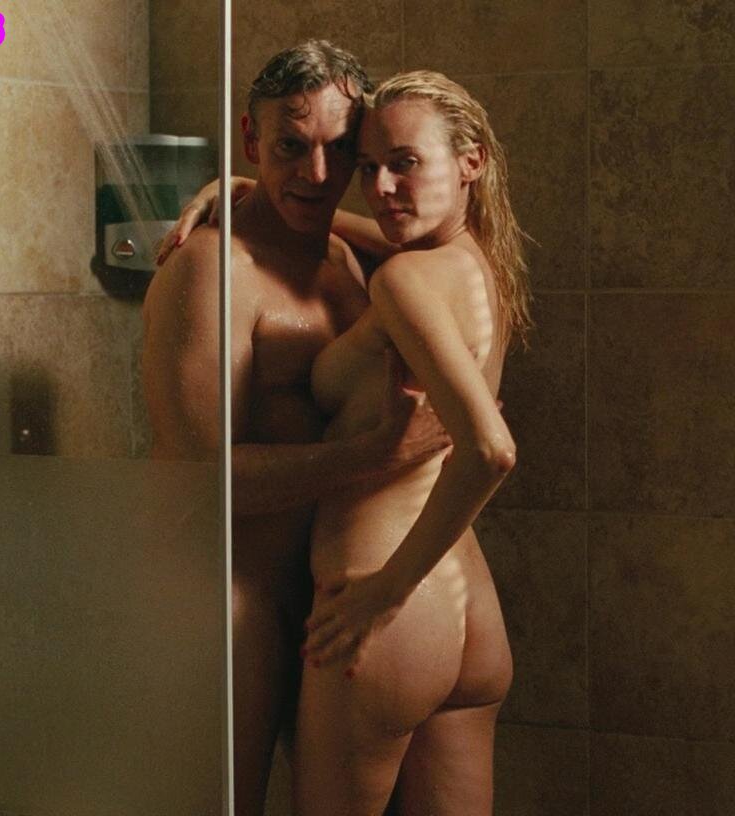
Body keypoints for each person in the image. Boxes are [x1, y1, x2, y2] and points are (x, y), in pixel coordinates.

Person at [167, 70, 528, 815]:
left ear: (471, 161)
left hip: (386, 602)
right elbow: (358, 227)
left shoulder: (401, 282)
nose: (381, 188)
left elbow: (491, 450)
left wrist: (387, 591)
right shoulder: (483, 264)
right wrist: (249, 187)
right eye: (368, 166)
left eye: (405, 163)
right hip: (469, 610)